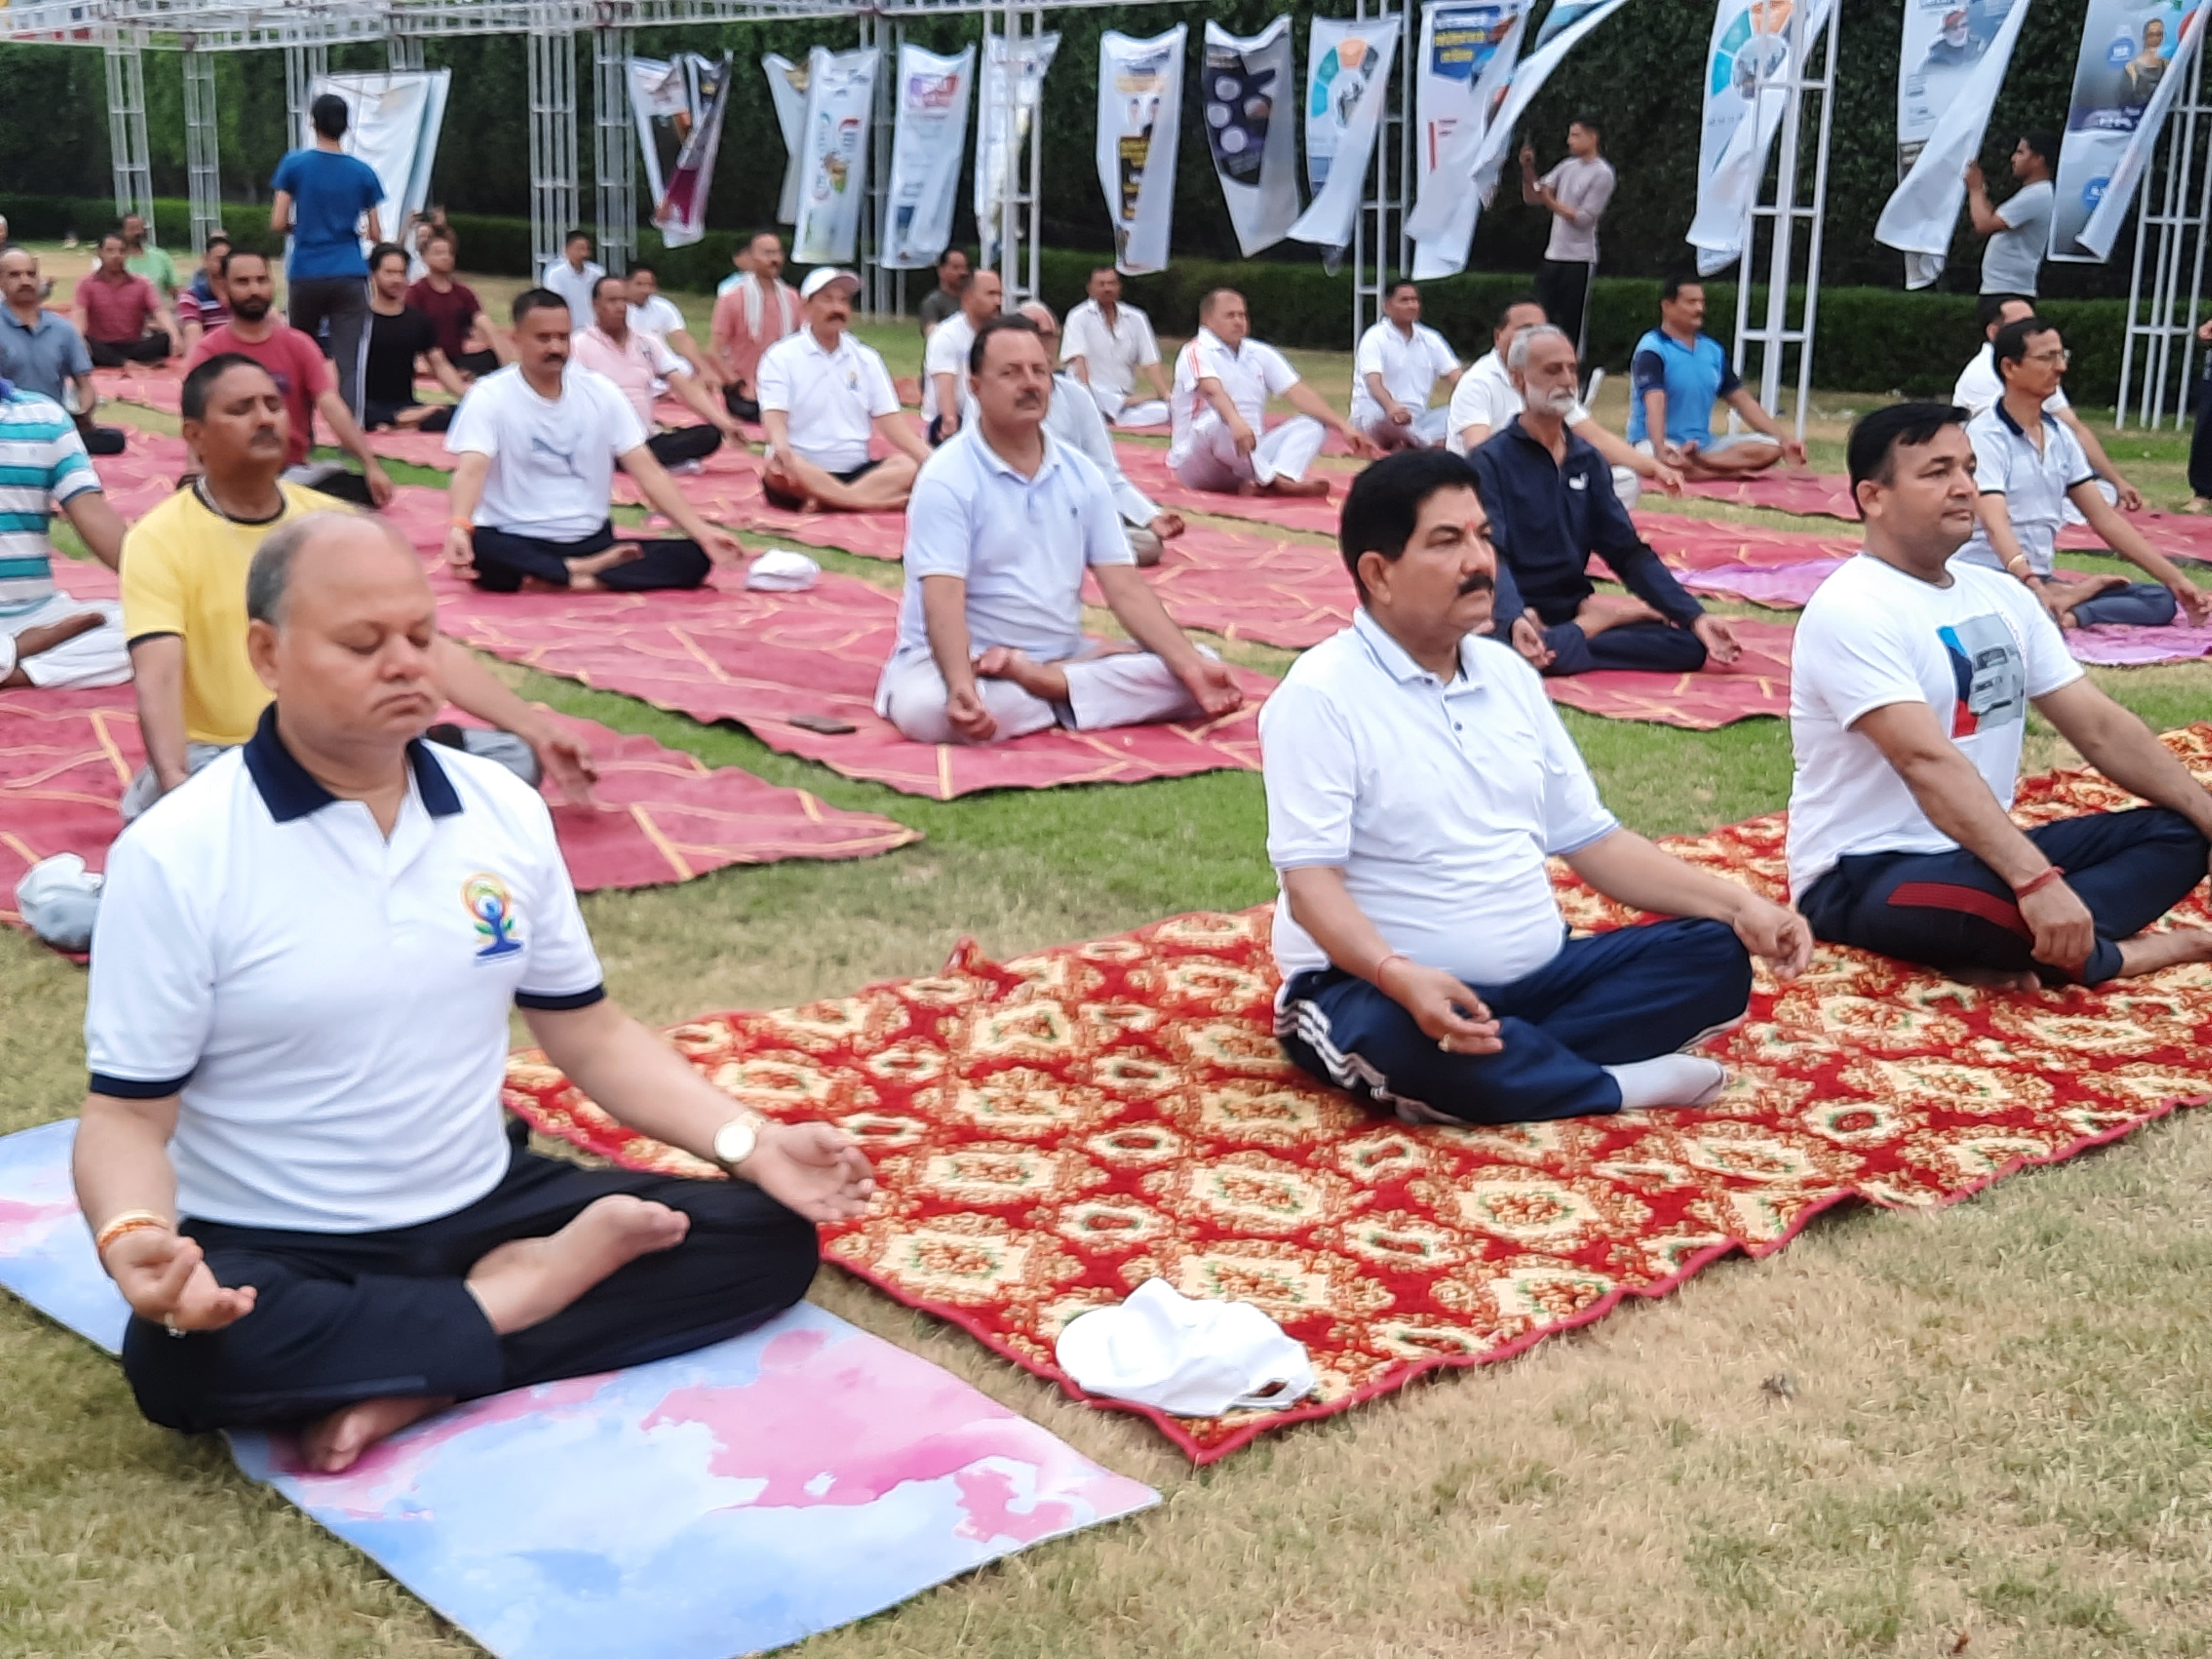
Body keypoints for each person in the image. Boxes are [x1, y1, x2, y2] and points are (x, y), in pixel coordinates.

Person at [79, 508, 873, 1467]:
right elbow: (127, 1117)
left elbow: (588, 1031)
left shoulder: (500, 809)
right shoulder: (177, 852)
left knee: (765, 1238)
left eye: (421, 636)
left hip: (484, 1196)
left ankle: (420, 1369)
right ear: (268, 653)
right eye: (363, 644)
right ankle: (509, 1304)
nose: (406, 664)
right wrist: (134, 1235)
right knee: (181, 1364)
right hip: (285, 1238)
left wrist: (753, 1144)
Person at [1261, 447, 1810, 1125]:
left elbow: (1593, 841)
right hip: (1376, 985)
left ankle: (1521, 1065)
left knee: (1711, 955)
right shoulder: (1320, 695)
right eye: (1447, 541)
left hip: (1545, 977)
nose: (1479, 561)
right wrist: (1397, 975)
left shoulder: (1506, 674)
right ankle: (1614, 1085)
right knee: (1395, 1042)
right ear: (1378, 573)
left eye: (1483, 537)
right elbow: (1310, 886)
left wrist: (1737, 905)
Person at [1789, 401, 2212, 989]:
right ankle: (2133, 954)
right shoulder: (1852, 607)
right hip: (1863, 870)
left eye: (1968, 469)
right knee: (1993, 910)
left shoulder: (2002, 596)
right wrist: (2036, 882)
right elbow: (1924, 761)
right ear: (1873, 497)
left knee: (2180, 834)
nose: (1964, 488)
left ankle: (2037, 946)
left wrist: (2207, 817)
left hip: (1982, 851)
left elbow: (2098, 727)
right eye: (1937, 473)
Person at [121, 353, 594, 818]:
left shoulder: (336, 524)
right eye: (241, 410)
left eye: (273, 405)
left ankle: (366, 796)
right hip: (231, 755)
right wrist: (172, 781)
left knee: (513, 760)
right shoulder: (158, 538)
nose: (264, 419)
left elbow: (424, 645)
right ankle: (369, 805)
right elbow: (157, 674)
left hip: (350, 745)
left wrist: (537, 731)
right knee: (198, 803)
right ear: (194, 436)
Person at [876, 315, 1244, 746]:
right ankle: (1066, 693)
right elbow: (943, 599)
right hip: (958, 662)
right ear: (974, 387)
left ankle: (1049, 684)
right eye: (1010, 373)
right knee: (931, 713)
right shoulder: (948, 477)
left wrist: (1189, 668)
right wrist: (960, 685)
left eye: (1039, 371)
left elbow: (1124, 587)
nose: (1030, 384)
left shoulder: (1081, 473)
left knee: (1202, 663)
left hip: (1062, 655)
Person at [1474, 326, 1739, 677]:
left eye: (1572, 369)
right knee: (1503, 651)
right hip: (1512, 608)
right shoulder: (1489, 462)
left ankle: (1570, 637)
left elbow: (1627, 552)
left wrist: (1694, 615)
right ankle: (1585, 629)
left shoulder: (1586, 458)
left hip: (1572, 607)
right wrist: (1512, 618)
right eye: (1553, 370)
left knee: (1689, 646)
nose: (1567, 381)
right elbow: (1492, 557)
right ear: (1518, 379)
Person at [444, 289, 745, 594]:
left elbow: (649, 471)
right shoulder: (490, 395)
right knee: (481, 549)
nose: (555, 347)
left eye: (562, 338)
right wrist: (459, 525)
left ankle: (572, 577)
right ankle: (579, 573)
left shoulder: (601, 392)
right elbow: (471, 469)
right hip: (517, 536)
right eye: (544, 338)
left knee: (693, 558)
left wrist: (701, 531)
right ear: (517, 338)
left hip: (591, 541)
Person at [1959, 319, 2208, 630]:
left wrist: (2177, 581)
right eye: (2047, 358)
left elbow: (2104, 518)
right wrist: (2031, 581)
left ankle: (2068, 611)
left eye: (2062, 356)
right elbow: (1996, 525)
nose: (2060, 367)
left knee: (2158, 600)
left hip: (2039, 579)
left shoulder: (2060, 435)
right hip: (1987, 575)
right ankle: (2053, 601)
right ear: (2010, 368)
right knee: (2007, 607)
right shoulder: (1985, 436)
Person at [185, 247, 395, 508]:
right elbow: (195, 422)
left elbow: (330, 405)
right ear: (223, 290)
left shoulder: (299, 345)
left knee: (354, 492)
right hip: (232, 473)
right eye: (243, 282)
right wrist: (194, 473)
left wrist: (371, 464)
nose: (254, 290)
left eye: (262, 280)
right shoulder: (210, 351)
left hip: (290, 471)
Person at [1447, 295, 1677, 509]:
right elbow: (1479, 452)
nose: (1532, 337)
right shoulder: (1478, 383)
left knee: (1624, 480)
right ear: (1499, 336)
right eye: (1524, 329)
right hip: (1494, 484)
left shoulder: (1551, 379)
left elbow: (1595, 437)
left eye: (1540, 330)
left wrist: (1656, 468)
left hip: (1545, 475)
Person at [1170, 288, 1376, 498]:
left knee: (1313, 424)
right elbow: (1212, 391)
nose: (1239, 321)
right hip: (1199, 463)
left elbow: (1297, 392)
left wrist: (1345, 428)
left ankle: (1280, 478)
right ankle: (1269, 479)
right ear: (1207, 320)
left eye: (1242, 315)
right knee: (1217, 420)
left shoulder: (1258, 353)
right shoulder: (1195, 351)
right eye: (1230, 315)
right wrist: (1235, 421)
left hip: (1249, 456)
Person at [1021, 300, 1183, 565]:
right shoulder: (994, 396)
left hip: (1075, 506)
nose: (1039, 344)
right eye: (1030, 334)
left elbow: (1106, 472)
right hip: (1015, 509)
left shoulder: (1076, 396)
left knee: (1148, 543)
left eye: (1046, 336)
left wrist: (1150, 516)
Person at [756, 267, 929, 513]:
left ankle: (834, 501)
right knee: (779, 469)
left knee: (910, 465)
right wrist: (781, 447)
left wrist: (926, 456)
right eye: (828, 300)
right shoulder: (781, 356)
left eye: (844, 301)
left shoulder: (866, 358)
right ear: (806, 307)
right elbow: (774, 414)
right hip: (802, 465)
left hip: (857, 469)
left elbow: (889, 419)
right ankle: (861, 501)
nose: (837, 308)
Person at [1953, 293, 2143, 510]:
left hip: (2037, 475)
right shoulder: (1983, 384)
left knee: (2103, 494)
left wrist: (2118, 482)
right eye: (2022, 324)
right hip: (1994, 481)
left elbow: (2074, 427)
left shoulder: (2057, 429)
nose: (2061, 367)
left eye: (2061, 356)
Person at [0, 379, 129, 690]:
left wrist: (172, 588)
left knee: (149, 630)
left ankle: (20, 667)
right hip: (39, 636)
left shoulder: (43, 418)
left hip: (37, 615)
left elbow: (93, 514)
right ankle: (19, 655)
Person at [272, 93, 385, 417]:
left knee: (300, 355)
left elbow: (278, 222)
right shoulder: (363, 172)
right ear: (347, 126)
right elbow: (376, 233)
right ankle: (352, 432)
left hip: (307, 270)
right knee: (349, 362)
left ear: (312, 122)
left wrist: (302, 227)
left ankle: (300, 427)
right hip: (349, 270)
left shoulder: (294, 164)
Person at [1626, 276, 1807, 480]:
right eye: (1691, 302)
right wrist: (1660, 447)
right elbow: (1655, 401)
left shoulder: (1712, 350)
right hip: (1656, 442)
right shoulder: (1652, 349)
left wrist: (1785, 441)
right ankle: (1720, 471)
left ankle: (1702, 466)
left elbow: (1743, 401)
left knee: (1772, 448)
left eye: (1702, 302)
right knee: (1656, 457)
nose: (1700, 309)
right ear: (1667, 306)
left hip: (1705, 447)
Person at [569, 274, 742, 469]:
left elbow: (684, 387)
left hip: (645, 438)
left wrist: (724, 423)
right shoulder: (579, 344)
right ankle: (637, 462)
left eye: (624, 300)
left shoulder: (647, 342)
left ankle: (642, 461)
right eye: (612, 301)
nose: (620, 307)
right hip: (603, 440)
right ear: (595, 305)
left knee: (710, 435)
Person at [1, 245, 124, 456]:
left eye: (31, 275)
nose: (25, 282)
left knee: (114, 440)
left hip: (53, 426)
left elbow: (85, 386)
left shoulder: (62, 329)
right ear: (1, 282)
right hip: (8, 428)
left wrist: (83, 413)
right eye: (15, 275)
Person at [1519, 116, 1616, 349]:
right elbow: (1534, 195)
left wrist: (1550, 201)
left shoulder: (1602, 173)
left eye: (1576, 135)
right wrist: (1528, 169)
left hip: (1579, 259)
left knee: (1572, 322)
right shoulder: (1567, 166)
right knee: (1541, 315)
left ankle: (1573, 367)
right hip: (1554, 255)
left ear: (1593, 137)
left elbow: (1583, 219)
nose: (1570, 140)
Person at [1349, 279, 1461, 452]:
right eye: (1405, 300)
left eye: (1415, 300)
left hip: (1418, 419)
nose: (1412, 305)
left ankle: (1416, 443)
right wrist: (1392, 407)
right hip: (1381, 415)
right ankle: (1429, 444)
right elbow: (1374, 383)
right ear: (1387, 306)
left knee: (1461, 414)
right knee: (1386, 421)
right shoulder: (1375, 338)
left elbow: (1458, 378)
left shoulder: (1431, 339)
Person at [1060, 266, 1171, 426]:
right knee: (1083, 389)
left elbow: (1150, 362)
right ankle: (1122, 405)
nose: (1107, 289)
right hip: (1092, 393)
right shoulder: (1078, 317)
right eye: (1102, 284)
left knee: (1165, 411)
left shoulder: (1137, 318)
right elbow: (1079, 361)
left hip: (1122, 393)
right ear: (1090, 289)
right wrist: (1087, 400)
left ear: (1119, 287)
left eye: (1112, 284)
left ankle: (1121, 409)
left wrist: (1165, 395)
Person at [709, 230, 801, 422]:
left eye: (777, 253)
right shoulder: (732, 299)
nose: (774, 259)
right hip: (746, 391)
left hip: (784, 387)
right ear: (751, 257)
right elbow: (715, 351)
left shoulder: (792, 298)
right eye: (767, 253)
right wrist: (735, 383)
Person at [1965, 132, 2057, 296]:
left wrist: (1975, 189)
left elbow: (1984, 224)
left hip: (2010, 291)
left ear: (2038, 160)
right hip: (2004, 289)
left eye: (2021, 153)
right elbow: (1993, 218)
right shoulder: (2034, 193)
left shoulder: (2037, 195)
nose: (2013, 159)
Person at [406, 229, 505, 380]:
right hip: (426, 356)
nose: (446, 258)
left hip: (457, 357)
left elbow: (483, 322)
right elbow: (411, 329)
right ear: (424, 258)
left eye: (449, 253)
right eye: (439, 253)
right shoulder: (416, 291)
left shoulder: (462, 292)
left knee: (490, 358)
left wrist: (504, 355)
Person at [920, 267, 1003, 444]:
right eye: (990, 294)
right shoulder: (947, 336)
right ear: (967, 299)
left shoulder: (1000, 336)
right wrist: (950, 423)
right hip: (951, 425)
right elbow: (945, 393)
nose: (998, 302)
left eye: (999, 295)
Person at [71, 233, 179, 366]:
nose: (116, 256)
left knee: (164, 339)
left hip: (133, 345)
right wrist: (79, 339)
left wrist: (174, 336)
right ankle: (126, 363)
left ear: (127, 254)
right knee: (84, 343)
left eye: (122, 251)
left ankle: (120, 361)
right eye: (110, 251)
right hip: (101, 345)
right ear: (99, 253)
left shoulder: (142, 284)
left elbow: (160, 311)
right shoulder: (86, 284)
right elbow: (79, 315)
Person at [626, 262, 713, 386]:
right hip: (629, 363)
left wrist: (703, 369)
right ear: (626, 284)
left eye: (649, 285)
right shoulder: (619, 308)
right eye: (639, 284)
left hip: (659, 361)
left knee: (685, 369)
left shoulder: (663, 307)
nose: (645, 290)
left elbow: (681, 338)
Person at [176, 234, 232, 351]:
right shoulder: (191, 298)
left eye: (228, 260)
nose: (224, 265)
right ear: (205, 259)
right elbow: (193, 334)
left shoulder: (243, 295)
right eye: (219, 259)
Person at [540, 230, 606, 324]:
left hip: (592, 326)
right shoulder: (555, 274)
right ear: (566, 250)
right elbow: (553, 302)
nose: (583, 253)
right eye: (579, 249)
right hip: (567, 324)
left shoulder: (598, 273)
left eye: (586, 249)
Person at [119, 212, 180, 303]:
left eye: (141, 228)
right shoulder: (115, 261)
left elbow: (176, 289)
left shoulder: (161, 256)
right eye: (133, 229)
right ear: (122, 232)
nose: (138, 232)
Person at [917, 247, 970, 336]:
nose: (963, 273)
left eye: (965, 268)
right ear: (941, 271)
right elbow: (932, 334)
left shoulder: (971, 299)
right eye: (956, 268)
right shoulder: (933, 303)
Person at [2125, 17, 2168, 106]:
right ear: (2145, 37)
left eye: (2159, 35)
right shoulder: (2131, 69)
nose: (2156, 39)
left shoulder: (2168, 66)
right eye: (2152, 35)